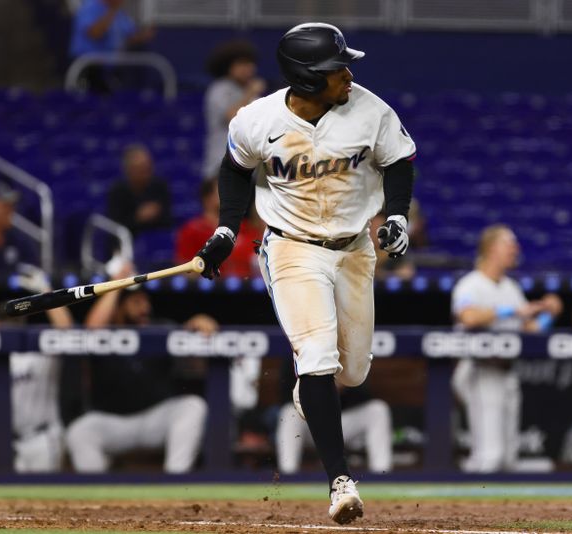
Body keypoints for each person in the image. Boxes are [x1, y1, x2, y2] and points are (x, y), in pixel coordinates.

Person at [194, 23, 416, 524]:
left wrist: (397, 215)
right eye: (337, 67)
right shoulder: (258, 119)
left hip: (354, 247)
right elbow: (233, 169)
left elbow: (400, 160)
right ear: (309, 78)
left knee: (352, 372)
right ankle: (340, 482)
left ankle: (312, 386)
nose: (348, 73)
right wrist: (228, 231)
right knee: (317, 356)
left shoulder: (370, 108)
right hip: (292, 248)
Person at [65, 262, 211, 473]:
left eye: (145, 301)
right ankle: (98, 494)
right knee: (79, 431)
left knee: (192, 406)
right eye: (135, 301)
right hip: (113, 421)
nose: (144, 308)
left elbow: (191, 348)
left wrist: (198, 323)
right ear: (118, 305)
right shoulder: (104, 330)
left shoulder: (159, 327)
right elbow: (92, 330)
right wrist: (116, 285)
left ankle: (176, 482)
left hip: (154, 418)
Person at [450, 224, 562, 473]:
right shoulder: (470, 284)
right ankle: (462, 504)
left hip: (507, 371)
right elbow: (467, 317)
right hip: (479, 369)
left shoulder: (510, 288)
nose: (515, 249)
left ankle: (500, 511)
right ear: (491, 248)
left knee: (507, 458)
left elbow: (531, 328)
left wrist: (548, 314)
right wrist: (510, 311)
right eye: (509, 244)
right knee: (490, 457)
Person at [0, 262, 71, 472]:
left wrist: (46, 293)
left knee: (48, 501)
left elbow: (66, 332)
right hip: (9, 440)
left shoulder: (39, 348)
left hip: (43, 438)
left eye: (4, 318)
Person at [276, 360, 392, 475]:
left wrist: (346, 384)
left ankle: (381, 474)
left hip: (344, 423)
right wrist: (317, 387)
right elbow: (286, 394)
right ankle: (288, 475)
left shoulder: (349, 351)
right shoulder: (299, 352)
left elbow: (364, 393)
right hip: (312, 424)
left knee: (378, 409)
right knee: (289, 412)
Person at [202, 40, 266, 180]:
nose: (248, 68)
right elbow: (232, 117)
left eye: (250, 63)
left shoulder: (253, 94)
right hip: (221, 165)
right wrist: (249, 93)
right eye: (242, 64)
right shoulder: (219, 89)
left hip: (249, 167)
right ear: (229, 66)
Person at [175, 180, 262, 278]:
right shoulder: (192, 230)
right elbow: (186, 271)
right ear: (207, 198)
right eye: (224, 191)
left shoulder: (244, 227)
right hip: (211, 288)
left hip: (248, 287)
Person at [70, 0, 155, 93]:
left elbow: (130, 36)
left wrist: (146, 34)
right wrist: (112, 11)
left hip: (109, 67)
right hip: (86, 66)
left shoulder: (120, 13)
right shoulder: (90, 6)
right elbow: (95, 33)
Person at [106, 144, 172, 236]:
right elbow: (115, 228)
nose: (146, 172)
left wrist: (155, 215)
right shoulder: (117, 191)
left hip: (154, 239)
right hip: (129, 241)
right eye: (140, 169)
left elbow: (168, 221)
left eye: (148, 167)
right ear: (128, 170)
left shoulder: (160, 186)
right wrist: (137, 218)